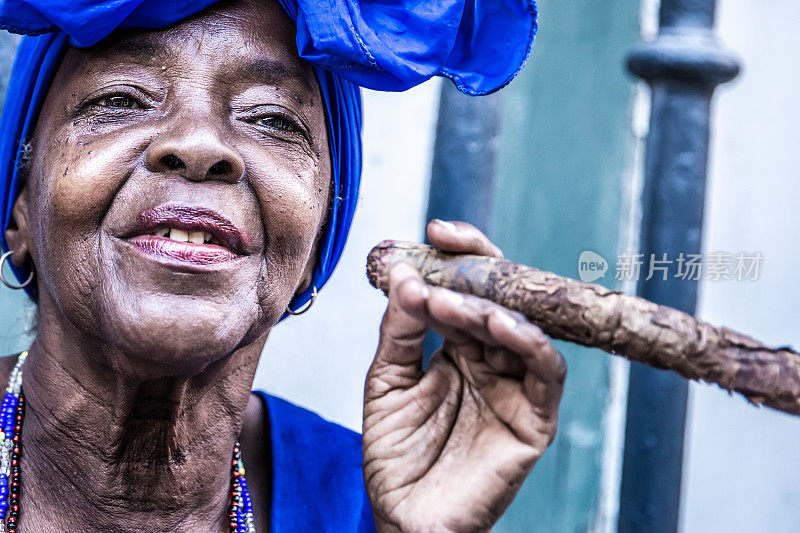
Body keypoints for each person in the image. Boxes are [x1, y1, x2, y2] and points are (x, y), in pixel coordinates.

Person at [0, 0, 565, 531]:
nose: (200, 146)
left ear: (318, 244)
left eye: (271, 119)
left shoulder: (371, 503)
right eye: (121, 100)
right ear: (19, 209)